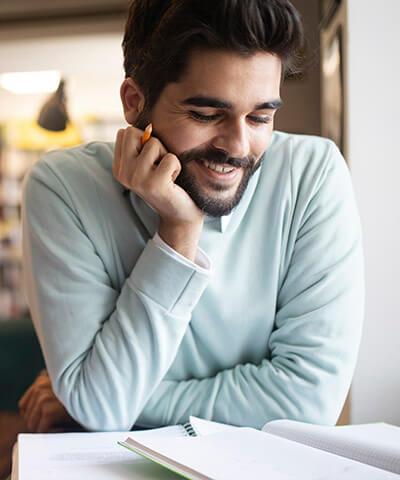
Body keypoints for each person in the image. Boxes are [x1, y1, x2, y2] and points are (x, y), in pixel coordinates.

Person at [19, 0, 364, 434]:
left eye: (260, 116)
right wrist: (179, 234)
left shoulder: (313, 175)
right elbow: (101, 404)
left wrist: (113, 400)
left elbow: (308, 404)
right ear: (134, 101)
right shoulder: (63, 190)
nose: (238, 147)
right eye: (206, 115)